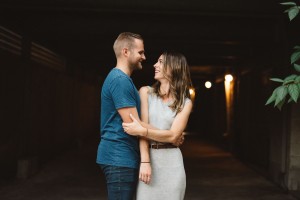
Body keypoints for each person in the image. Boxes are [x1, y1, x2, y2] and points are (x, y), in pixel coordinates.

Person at [96, 33, 183, 200]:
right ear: (126, 52)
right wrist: (170, 136)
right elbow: (136, 126)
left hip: (122, 156)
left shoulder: (124, 80)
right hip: (118, 157)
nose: (144, 57)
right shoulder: (119, 80)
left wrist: (172, 134)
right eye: (141, 52)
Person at [122, 51, 193, 200]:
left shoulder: (185, 102)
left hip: (173, 166)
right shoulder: (146, 92)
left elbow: (173, 136)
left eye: (160, 62)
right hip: (150, 162)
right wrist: (145, 161)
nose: (155, 65)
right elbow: (143, 129)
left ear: (173, 67)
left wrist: (143, 129)